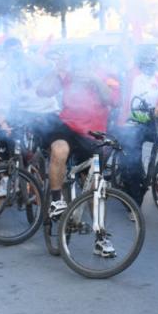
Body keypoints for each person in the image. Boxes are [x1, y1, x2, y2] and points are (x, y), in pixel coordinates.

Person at [37, 50, 121, 226]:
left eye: (85, 64)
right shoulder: (68, 76)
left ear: (92, 64)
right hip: (67, 128)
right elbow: (42, 91)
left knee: (93, 188)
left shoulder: (107, 77)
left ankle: (101, 236)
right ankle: (56, 200)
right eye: (77, 64)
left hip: (94, 136)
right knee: (59, 150)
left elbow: (112, 100)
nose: (80, 69)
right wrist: (55, 70)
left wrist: (95, 79)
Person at [117, 45, 158, 206]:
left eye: (153, 58)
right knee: (133, 162)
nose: (150, 61)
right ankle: (133, 202)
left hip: (150, 121)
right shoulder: (131, 75)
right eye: (147, 58)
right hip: (130, 123)